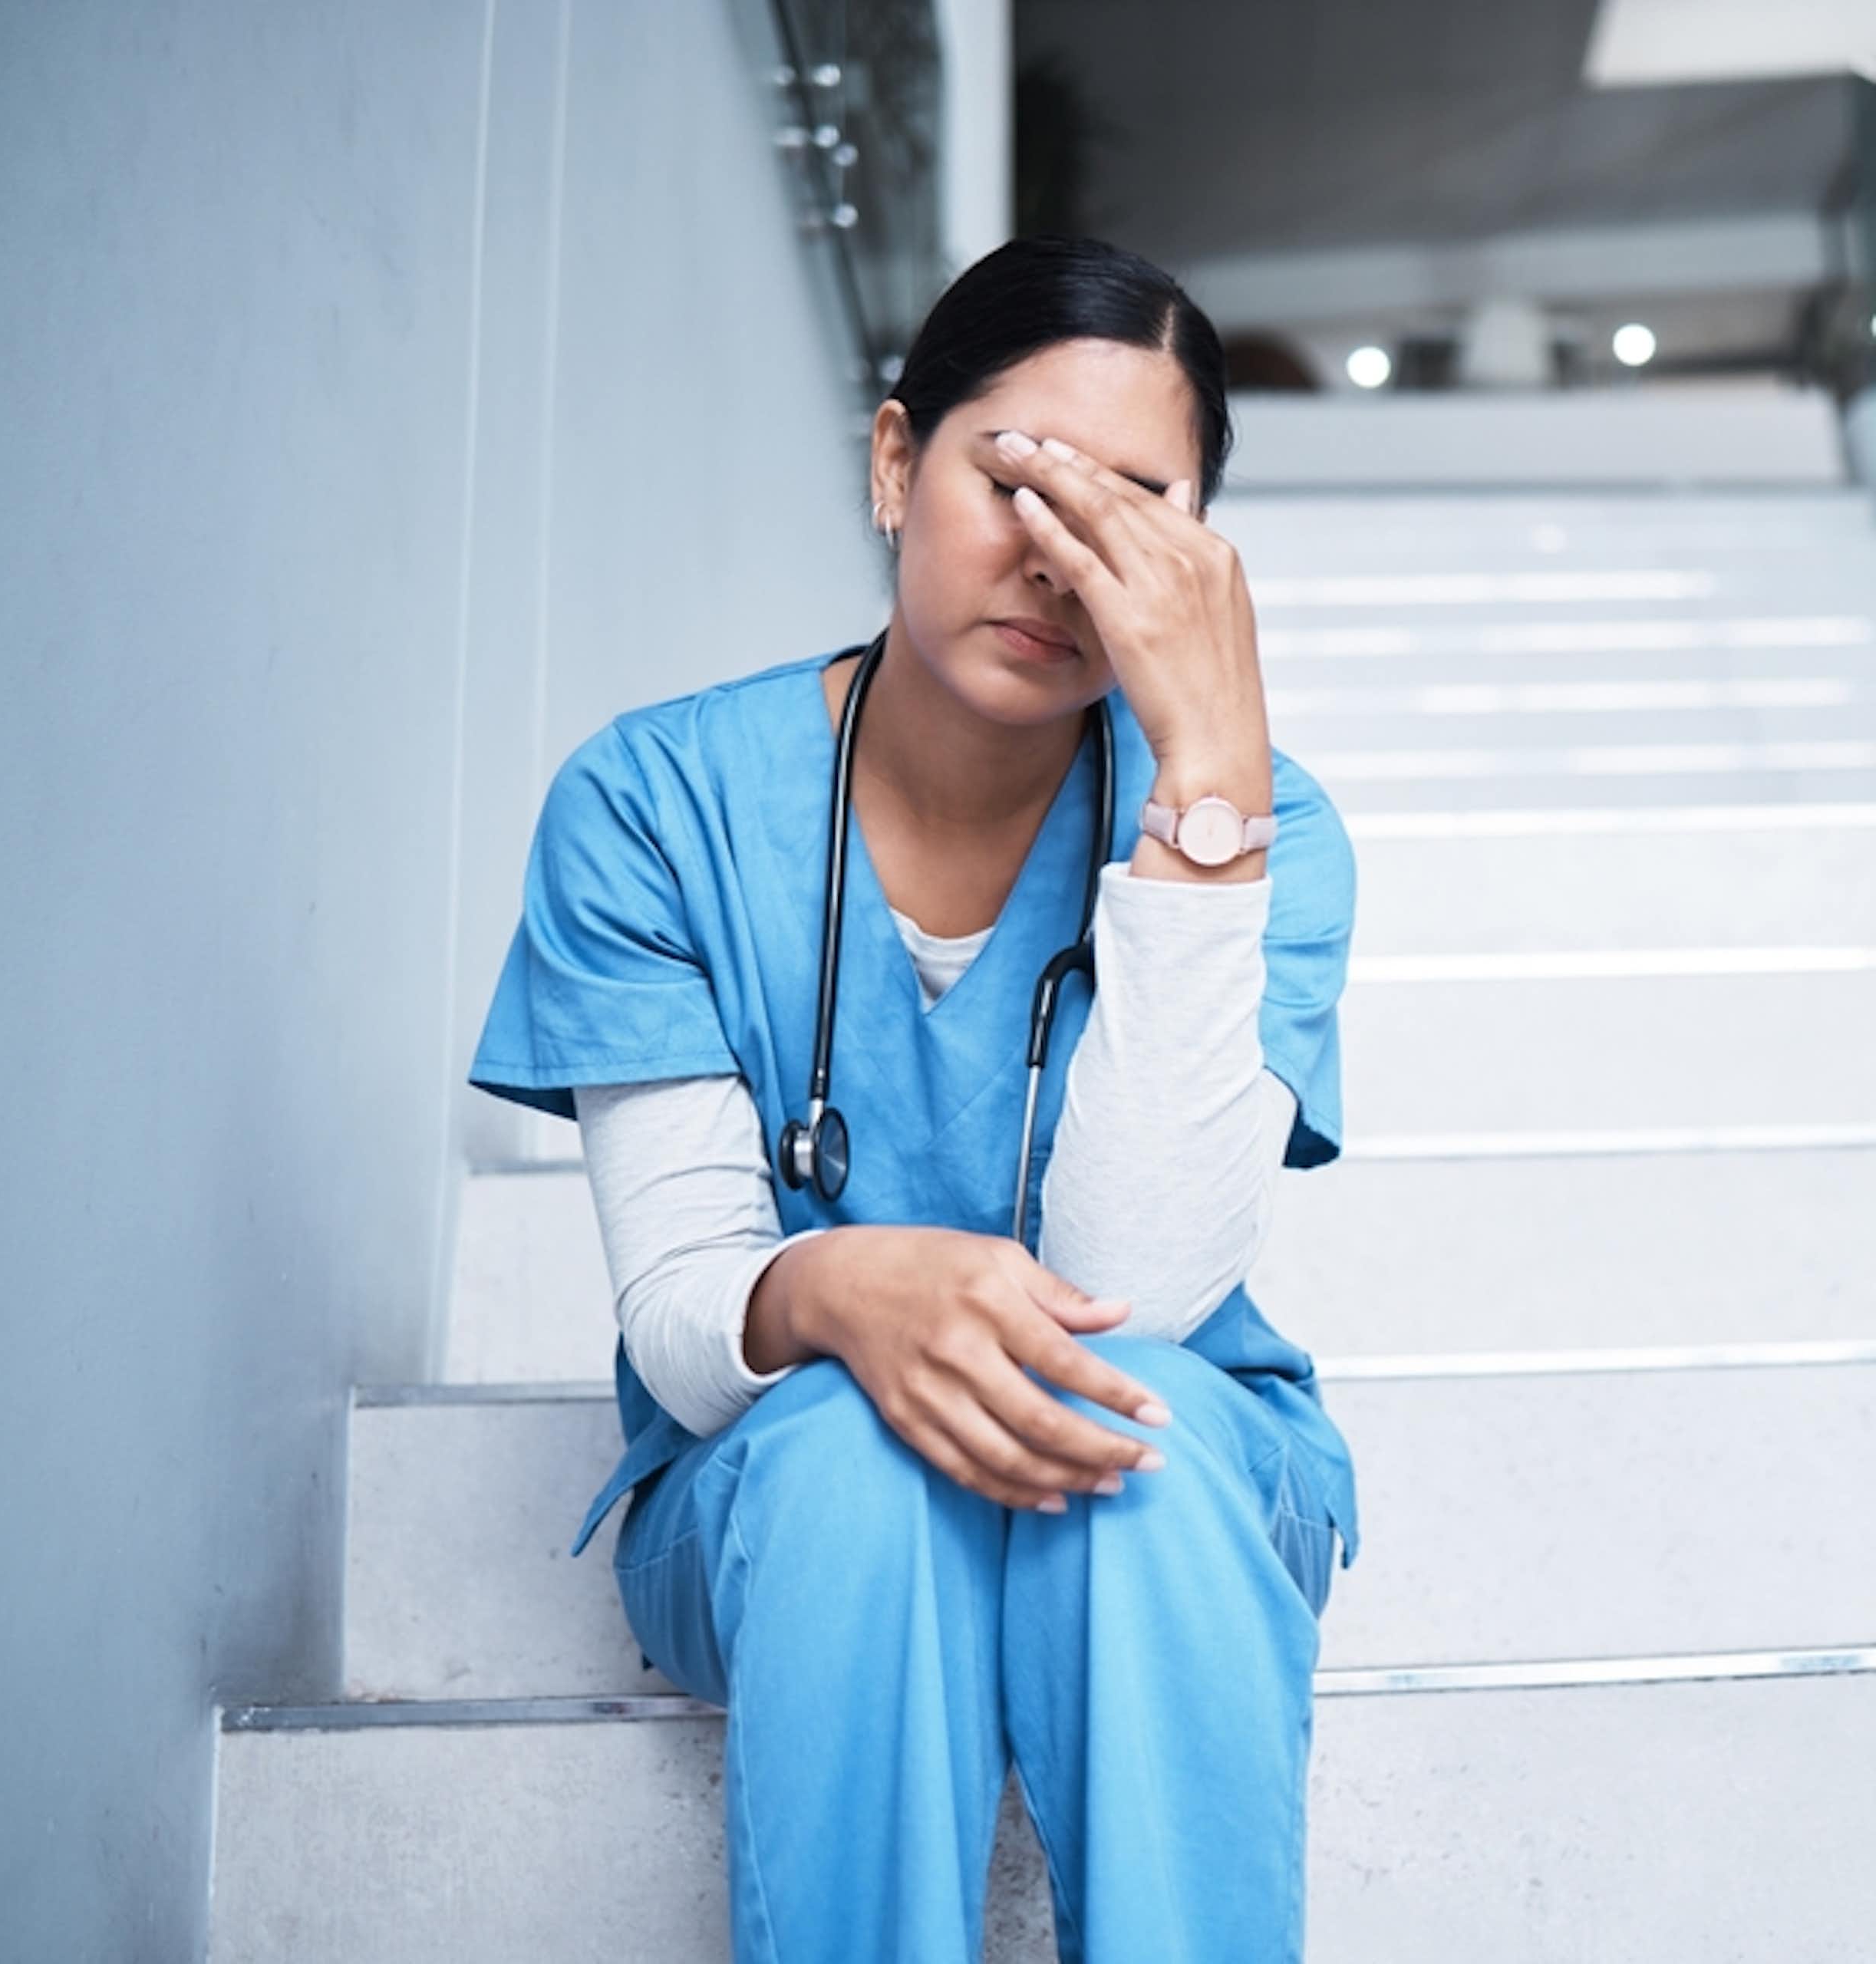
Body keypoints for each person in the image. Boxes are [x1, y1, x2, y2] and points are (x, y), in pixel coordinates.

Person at [468, 233, 1360, 1962]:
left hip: (1160, 1474)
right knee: (850, 1454)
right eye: (1017, 474)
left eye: (1130, 512)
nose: (1056, 558)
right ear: (895, 463)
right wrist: (833, 1289)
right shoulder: (655, 804)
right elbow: (680, 1313)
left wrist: (1205, 793)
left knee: (1144, 1435)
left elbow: (1141, 1283)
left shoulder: (1264, 828)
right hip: (786, 1489)